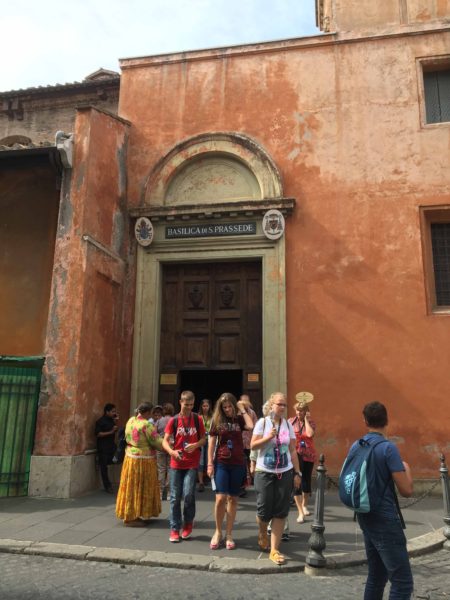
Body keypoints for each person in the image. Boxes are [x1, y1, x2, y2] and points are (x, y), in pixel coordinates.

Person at [354, 401, 414, 600]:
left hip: (364, 514)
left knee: (377, 575)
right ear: (387, 420)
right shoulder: (388, 448)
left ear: (365, 421)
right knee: (402, 581)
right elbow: (406, 490)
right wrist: (406, 468)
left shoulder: (358, 444)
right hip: (385, 518)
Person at [250, 392, 301, 565]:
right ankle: (263, 532)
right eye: (279, 404)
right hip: (264, 471)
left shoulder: (287, 424)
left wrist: (297, 472)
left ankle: (274, 549)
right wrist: (268, 437)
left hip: (284, 472)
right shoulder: (262, 423)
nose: (282, 407)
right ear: (271, 405)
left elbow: (292, 450)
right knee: (264, 510)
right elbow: (253, 445)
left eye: (284, 405)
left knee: (281, 511)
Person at [207, 392, 254, 550]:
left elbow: (251, 426)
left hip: (238, 462)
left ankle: (229, 534)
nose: (227, 409)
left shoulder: (239, 418)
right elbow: (212, 444)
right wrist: (209, 464)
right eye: (224, 407)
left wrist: (241, 409)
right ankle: (218, 532)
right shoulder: (217, 420)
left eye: (229, 406)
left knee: (233, 499)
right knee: (220, 498)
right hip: (221, 462)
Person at [162, 390, 206, 543]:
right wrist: (172, 452)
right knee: (174, 497)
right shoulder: (173, 421)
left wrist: (196, 445)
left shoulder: (197, 419)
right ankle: (175, 528)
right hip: (176, 462)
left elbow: (203, 439)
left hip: (192, 462)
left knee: (188, 494)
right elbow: (164, 441)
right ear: (180, 402)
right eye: (186, 404)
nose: (188, 407)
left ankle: (188, 523)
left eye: (191, 405)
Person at [115, 402, 163, 527]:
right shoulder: (146, 425)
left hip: (130, 458)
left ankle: (130, 513)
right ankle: (134, 517)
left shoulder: (131, 421)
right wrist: (169, 445)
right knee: (142, 486)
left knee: (130, 485)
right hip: (143, 460)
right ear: (147, 412)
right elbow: (156, 441)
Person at [289, 391, 316, 523]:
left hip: (308, 455)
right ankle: (300, 511)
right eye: (297, 411)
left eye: (302, 411)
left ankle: (305, 505)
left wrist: (306, 420)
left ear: (306, 412)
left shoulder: (311, 422)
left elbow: (310, 434)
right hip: (296, 455)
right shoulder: (290, 422)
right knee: (297, 482)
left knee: (306, 481)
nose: (299, 413)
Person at [95, 403, 119, 493]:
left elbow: (115, 431)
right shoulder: (100, 421)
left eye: (115, 411)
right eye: (113, 411)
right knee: (103, 467)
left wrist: (116, 422)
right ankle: (107, 486)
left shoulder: (112, 420)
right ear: (107, 412)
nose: (114, 413)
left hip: (111, 447)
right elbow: (98, 434)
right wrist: (111, 432)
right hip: (103, 447)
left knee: (115, 461)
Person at [238, 394, 258, 497]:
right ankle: (241, 487)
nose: (245, 402)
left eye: (247, 400)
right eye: (243, 400)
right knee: (241, 465)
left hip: (250, 443)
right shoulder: (237, 413)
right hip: (240, 443)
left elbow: (256, 426)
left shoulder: (252, 413)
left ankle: (253, 480)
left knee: (252, 462)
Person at [156, 402, 174, 500]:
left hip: (161, 445)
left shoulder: (159, 421)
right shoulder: (174, 420)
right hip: (171, 445)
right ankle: (168, 493)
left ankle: (160, 492)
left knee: (161, 469)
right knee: (170, 468)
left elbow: (155, 433)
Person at [198, 398, 212, 492]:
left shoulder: (213, 416)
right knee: (201, 461)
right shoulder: (198, 416)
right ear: (201, 407)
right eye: (204, 406)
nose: (205, 408)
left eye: (207, 406)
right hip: (201, 440)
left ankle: (208, 478)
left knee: (208, 460)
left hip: (210, 440)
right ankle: (201, 482)